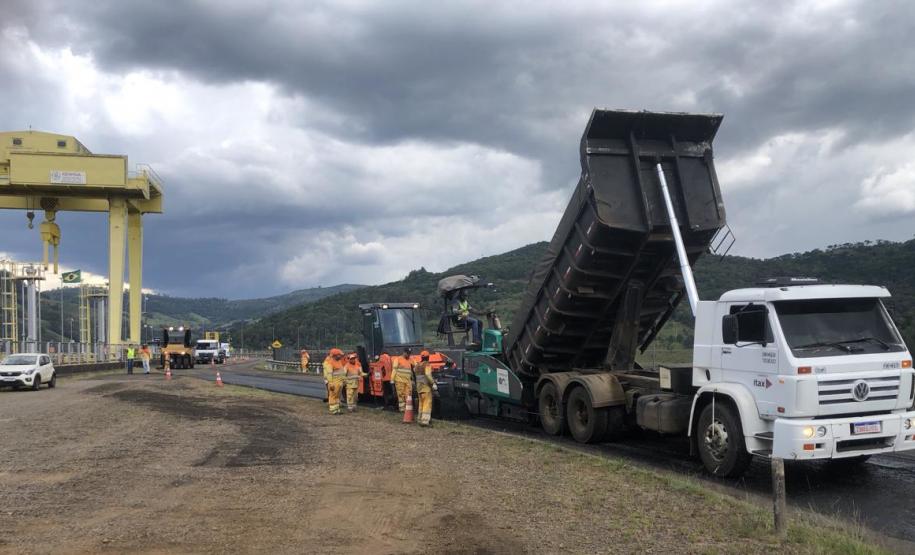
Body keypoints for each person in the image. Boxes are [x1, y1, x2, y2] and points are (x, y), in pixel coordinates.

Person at [413, 350, 438, 426]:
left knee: (421, 404)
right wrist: (433, 383)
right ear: (428, 357)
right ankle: (425, 421)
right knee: (427, 403)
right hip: (426, 388)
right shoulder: (427, 364)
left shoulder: (417, 366)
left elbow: (415, 374)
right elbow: (427, 374)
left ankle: (420, 419)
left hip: (419, 388)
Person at [322, 348, 346, 415]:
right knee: (333, 396)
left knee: (337, 397)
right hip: (334, 383)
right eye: (339, 355)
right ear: (335, 355)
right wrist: (331, 383)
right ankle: (333, 410)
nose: (341, 356)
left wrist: (344, 380)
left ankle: (337, 409)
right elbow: (329, 374)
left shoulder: (339, 361)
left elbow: (341, 372)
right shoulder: (330, 363)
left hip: (339, 383)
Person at [391, 347, 414, 412]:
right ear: (404, 352)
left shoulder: (410, 360)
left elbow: (416, 366)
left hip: (407, 381)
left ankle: (408, 409)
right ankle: (402, 409)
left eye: (410, 353)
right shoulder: (398, 359)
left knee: (408, 394)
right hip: (399, 381)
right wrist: (392, 379)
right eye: (408, 353)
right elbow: (394, 370)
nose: (409, 355)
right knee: (401, 395)